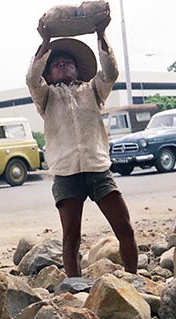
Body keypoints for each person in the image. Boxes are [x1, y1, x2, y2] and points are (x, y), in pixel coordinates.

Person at [26, 6, 138, 277]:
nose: (63, 65)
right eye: (56, 64)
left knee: (124, 229)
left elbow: (110, 72)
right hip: (66, 174)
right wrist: (45, 42)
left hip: (98, 169)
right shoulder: (46, 97)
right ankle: (74, 285)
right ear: (50, 74)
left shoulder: (93, 91)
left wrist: (101, 33)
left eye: (68, 63)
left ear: (78, 70)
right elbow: (31, 78)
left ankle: (133, 277)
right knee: (71, 237)